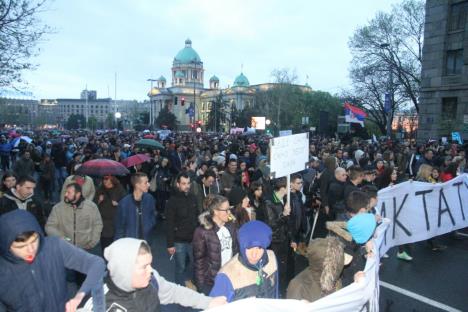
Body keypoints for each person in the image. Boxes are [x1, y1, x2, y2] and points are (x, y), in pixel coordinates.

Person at [81, 238, 228, 311]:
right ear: (125, 270)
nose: (151, 270)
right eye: (144, 266)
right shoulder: (99, 304)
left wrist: (209, 302)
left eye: (150, 264)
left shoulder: (151, 280)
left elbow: (174, 292)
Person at [0, 210, 105, 312]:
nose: (31, 249)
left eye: (34, 241)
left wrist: (80, 296)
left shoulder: (54, 246)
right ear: (6, 247)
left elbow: (97, 264)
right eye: (21, 246)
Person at [210, 220, 278, 302]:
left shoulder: (271, 258)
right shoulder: (227, 275)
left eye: (259, 248)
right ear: (242, 246)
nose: (254, 254)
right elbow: (215, 307)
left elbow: (275, 293)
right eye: (249, 248)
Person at [193, 195, 239, 295]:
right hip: (211, 282)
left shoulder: (231, 226)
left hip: (230, 277)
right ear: (215, 211)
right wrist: (201, 287)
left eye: (229, 209)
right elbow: (199, 261)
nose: (229, 213)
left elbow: (236, 251)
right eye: (226, 210)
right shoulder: (202, 232)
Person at [286, 236, 355, 302]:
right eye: (340, 263)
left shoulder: (333, 278)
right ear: (330, 266)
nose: (342, 267)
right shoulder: (298, 287)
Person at [46, 183, 103, 255]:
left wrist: (93, 242)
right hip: (66, 249)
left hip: (86, 249)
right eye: (65, 192)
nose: (65, 195)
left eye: (69, 192)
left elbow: (98, 224)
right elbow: (49, 227)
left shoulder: (91, 207)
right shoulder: (58, 208)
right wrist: (63, 239)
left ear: (78, 194)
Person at [166, 172, 199, 287]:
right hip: (179, 240)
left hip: (193, 239)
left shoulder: (193, 198)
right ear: (178, 184)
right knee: (181, 267)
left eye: (188, 183)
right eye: (184, 183)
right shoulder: (172, 201)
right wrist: (170, 244)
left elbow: (197, 216)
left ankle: (193, 287)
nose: (187, 186)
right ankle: (179, 289)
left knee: (195, 264)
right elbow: (169, 224)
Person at [264, 177, 291, 295]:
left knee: (284, 268)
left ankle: (282, 290)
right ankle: (276, 292)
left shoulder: (284, 199)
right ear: (282, 188)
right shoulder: (269, 202)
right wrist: (284, 215)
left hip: (284, 238)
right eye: (288, 186)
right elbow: (272, 225)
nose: (291, 188)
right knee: (277, 268)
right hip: (275, 241)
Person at [114, 172, 156, 242]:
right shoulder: (124, 203)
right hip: (130, 243)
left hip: (146, 242)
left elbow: (153, 215)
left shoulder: (150, 199)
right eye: (146, 183)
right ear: (137, 185)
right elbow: (119, 227)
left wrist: (149, 226)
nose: (149, 184)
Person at [93, 175, 127, 250]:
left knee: (116, 242)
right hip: (104, 220)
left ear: (112, 179)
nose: (104, 181)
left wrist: (118, 204)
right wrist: (99, 200)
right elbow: (93, 205)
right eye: (103, 179)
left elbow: (126, 204)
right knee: (105, 243)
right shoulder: (100, 189)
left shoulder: (119, 188)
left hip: (116, 220)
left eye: (106, 179)